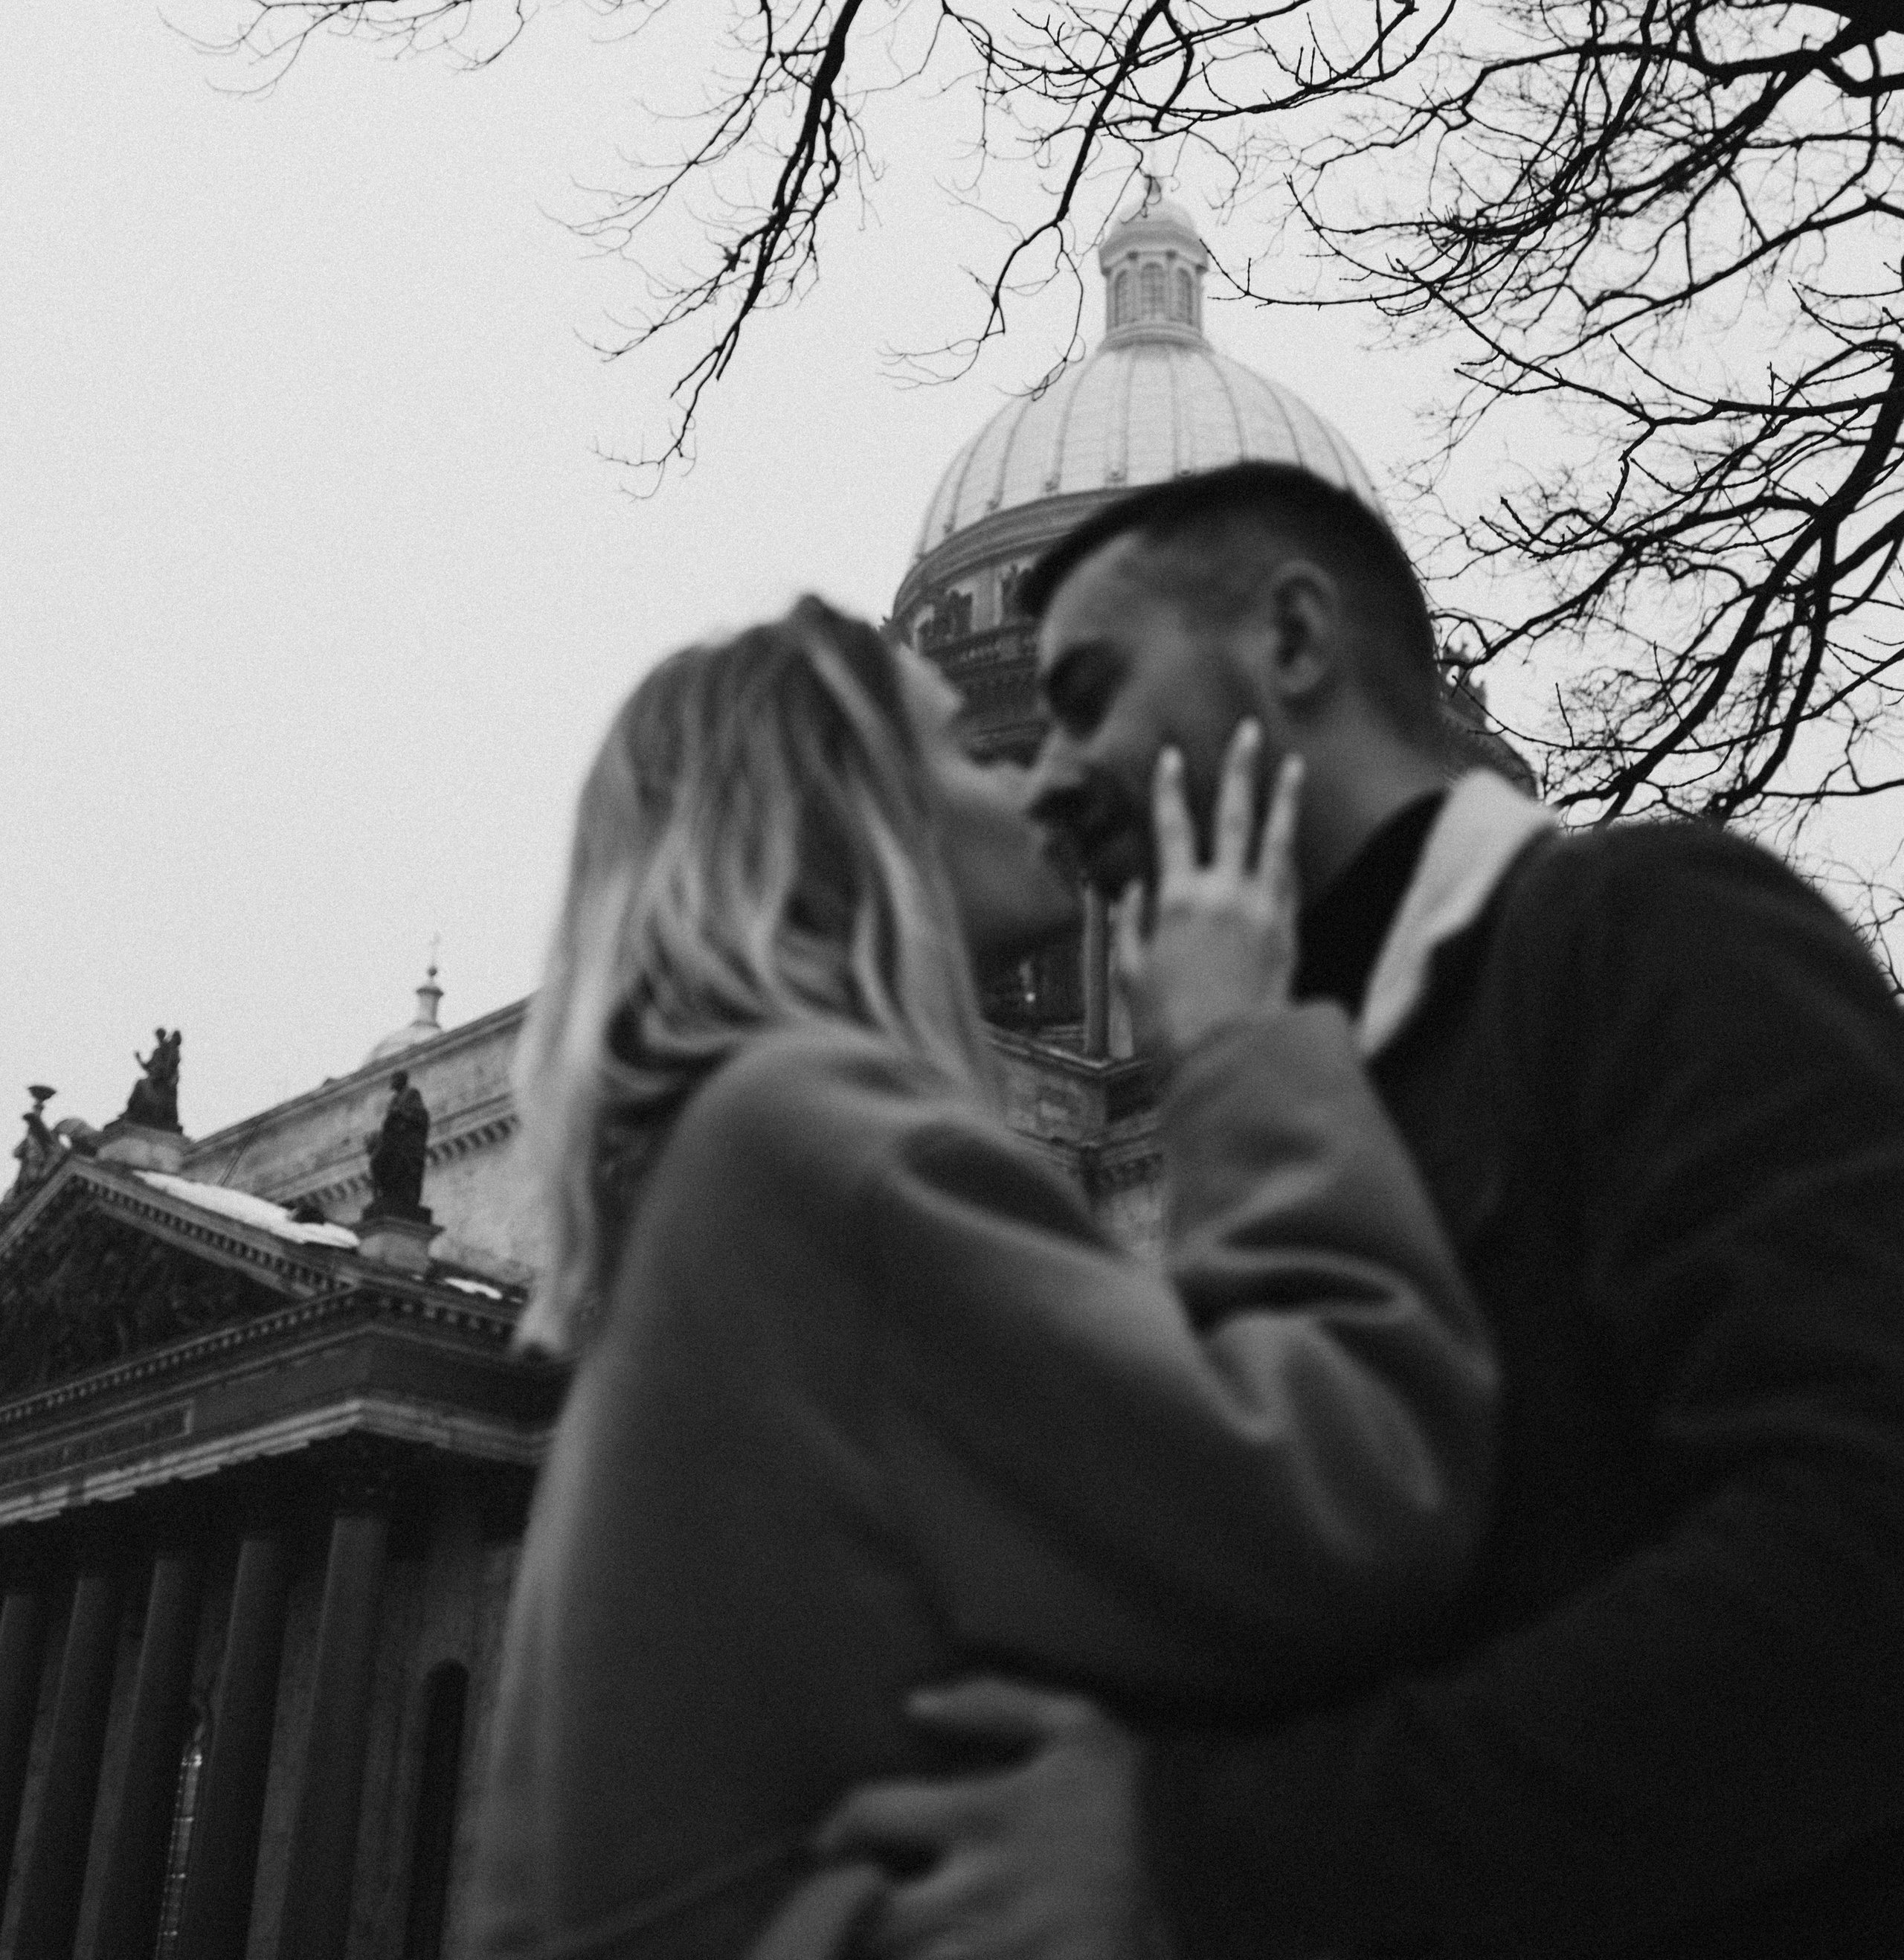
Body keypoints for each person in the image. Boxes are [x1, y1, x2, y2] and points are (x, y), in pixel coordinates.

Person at [818, 463, 1904, 1959]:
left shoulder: (1648, 931)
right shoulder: (1273, 1099)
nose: (1051, 779)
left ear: (1291, 640)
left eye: (1089, 691)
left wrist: (1191, 1849)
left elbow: (1857, 1559)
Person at [469, 595, 1496, 1960]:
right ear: (858, 818)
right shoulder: (821, 1151)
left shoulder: (721, 1164)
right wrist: (1245, 1034)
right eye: (973, 750)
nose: (1039, 781)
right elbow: (1360, 1495)